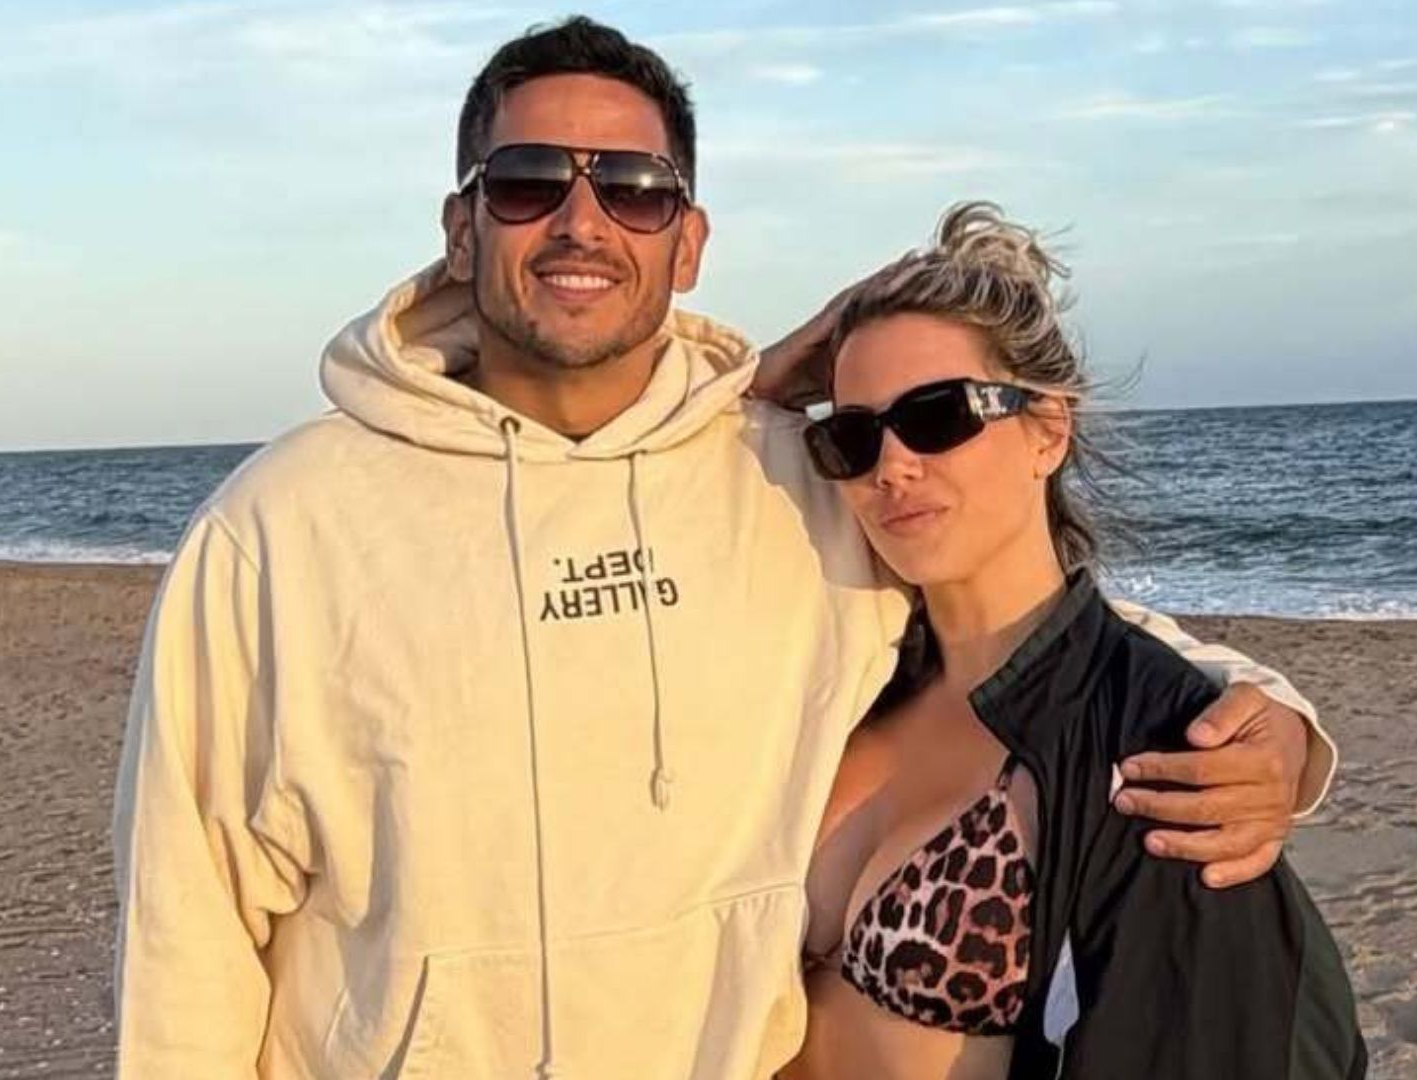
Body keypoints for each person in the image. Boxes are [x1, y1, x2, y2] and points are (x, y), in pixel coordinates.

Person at [111, 17, 1339, 1080]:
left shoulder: (791, 480)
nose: (581, 221)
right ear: (462, 226)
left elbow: (1019, 619)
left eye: (633, 189)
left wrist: (1271, 719)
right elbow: (187, 927)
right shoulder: (282, 528)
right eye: (528, 181)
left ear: (687, 241)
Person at [783, 203, 1365, 1079]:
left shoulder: (1166, 749)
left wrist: (1286, 727)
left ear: (1047, 432)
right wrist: (758, 378)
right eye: (852, 436)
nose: (892, 465)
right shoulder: (848, 677)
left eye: (939, 416)